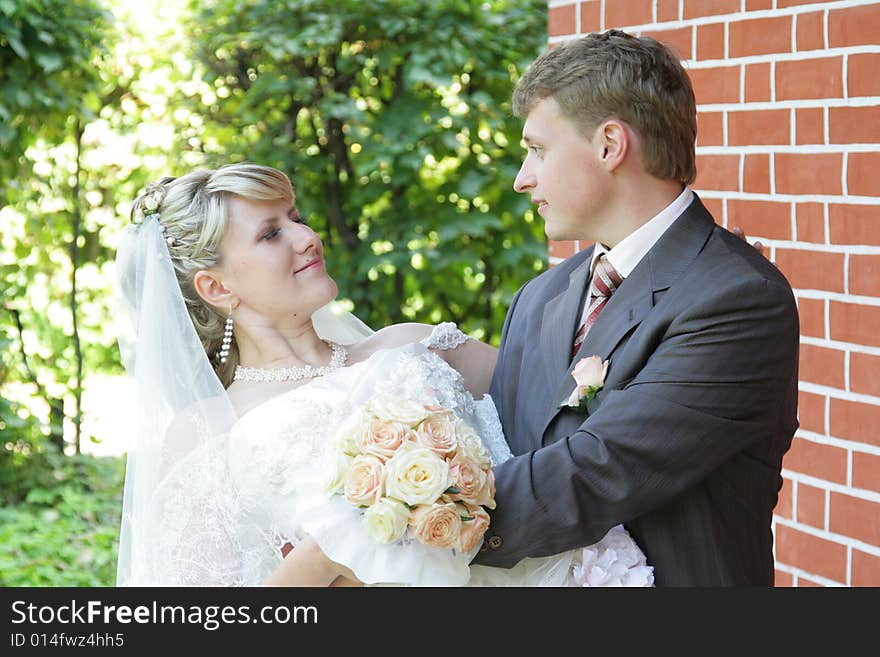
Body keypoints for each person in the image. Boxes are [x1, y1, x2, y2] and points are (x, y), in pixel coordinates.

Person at [114, 163, 655, 587]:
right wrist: (337, 545)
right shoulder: (207, 431)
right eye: (270, 234)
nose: (307, 238)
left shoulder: (413, 345)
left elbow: (570, 404)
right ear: (217, 288)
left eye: (296, 218)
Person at [470, 30, 799, 586]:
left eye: (537, 149)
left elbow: (595, 471)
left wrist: (405, 530)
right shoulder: (539, 298)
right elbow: (498, 451)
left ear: (609, 145)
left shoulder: (738, 299)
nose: (522, 179)